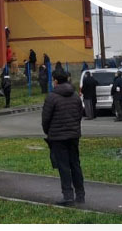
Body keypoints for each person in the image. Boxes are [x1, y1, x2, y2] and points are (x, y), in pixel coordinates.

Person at [43, 70, 86, 206]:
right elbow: (80, 114)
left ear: (55, 81)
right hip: (73, 135)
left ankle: (68, 195)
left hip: (58, 136)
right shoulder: (75, 95)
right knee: (75, 164)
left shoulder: (51, 97)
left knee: (63, 166)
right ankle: (80, 194)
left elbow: (46, 119)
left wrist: (49, 132)